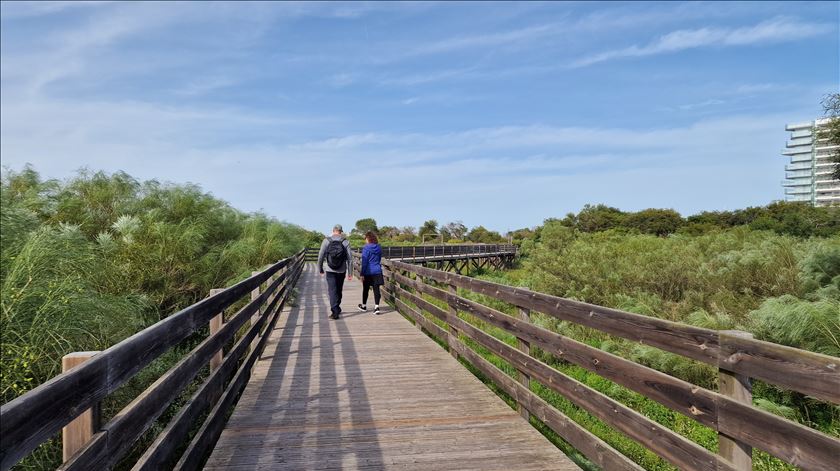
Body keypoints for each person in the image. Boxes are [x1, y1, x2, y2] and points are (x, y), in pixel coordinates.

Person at [317, 224, 353, 319]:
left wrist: (320, 268)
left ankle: (335, 311)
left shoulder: (326, 241)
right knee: (339, 290)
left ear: (333, 230)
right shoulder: (345, 241)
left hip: (330, 269)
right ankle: (337, 308)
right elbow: (350, 259)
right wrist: (350, 273)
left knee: (332, 290)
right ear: (341, 231)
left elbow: (320, 256)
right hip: (341, 270)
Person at [358, 231, 384, 315]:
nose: (365, 240)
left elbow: (364, 262)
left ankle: (364, 306)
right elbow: (379, 259)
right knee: (376, 289)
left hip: (368, 271)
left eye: (365, 238)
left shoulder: (366, 248)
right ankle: (376, 307)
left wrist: (362, 274)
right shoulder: (379, 247)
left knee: (366, 289)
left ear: (368, 238)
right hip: (377, 270)